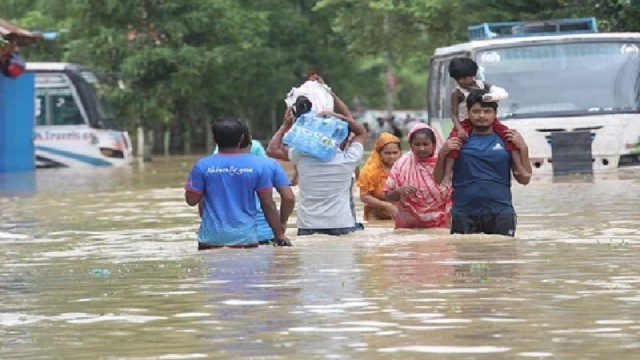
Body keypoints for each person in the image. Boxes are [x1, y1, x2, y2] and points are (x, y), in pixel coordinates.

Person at [267, 75, 366, 236]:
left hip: (308, 226)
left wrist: (286, 124)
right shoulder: (348, 160)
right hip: (342, 225)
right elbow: (359, 131)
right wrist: (336, 111)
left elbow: (272, 149)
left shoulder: (301, 156)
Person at [434, 90, 532, 236]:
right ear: (468, 112)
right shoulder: (457, 140)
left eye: (487, 111)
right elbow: (438, 179)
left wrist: (523, 147)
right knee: (466, 257)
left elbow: (525, 179)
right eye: (476, 111)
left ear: (495, 113)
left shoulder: (508, 139)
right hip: (464, 213)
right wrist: (442, 153)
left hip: (501, 213)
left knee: (502, 255)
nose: (481, 116)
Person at [185, 117, 291, 249]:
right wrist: (278, 234)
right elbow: (268, 204)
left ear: (214, 139)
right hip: (245, 239)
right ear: (242, 138)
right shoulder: (258, 166)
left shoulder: (202, 165)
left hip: (210, 240)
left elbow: (191, 200)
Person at [211, 135, 295, 245]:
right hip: (263, 233)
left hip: (225, 235)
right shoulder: (268, 165)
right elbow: (287, 198)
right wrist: (281, 226)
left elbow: (203, 202)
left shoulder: (210, 167)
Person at [384, 124, 452, 229]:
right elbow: (388, 196)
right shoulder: (401, 165)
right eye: (417, 144)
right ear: (410, 145)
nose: (421, 148)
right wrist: (398, 192)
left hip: (441, 222)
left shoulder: (446, 162)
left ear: (433, 144)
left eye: (426, 144)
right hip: (409, 224)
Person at [448, 57, 513, 158]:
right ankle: (448, 170)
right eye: (457, 79)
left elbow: (501, 93)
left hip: (488, 120)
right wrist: (460, 129)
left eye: (464, 78)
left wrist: (491, 97)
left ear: (473, 75)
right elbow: (454, 115)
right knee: (453, 143)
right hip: (466, 123)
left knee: (509, 136)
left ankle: (517, 163)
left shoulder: (483, 84)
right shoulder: (457, 93)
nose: (461, 81)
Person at [357, 132, 402, 221]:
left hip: (400, 213)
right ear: (379, 153)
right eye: (387, 153)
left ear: (400, 152)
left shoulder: (406, 169)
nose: (392, 156)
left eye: (395, 152)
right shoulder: (369, 171)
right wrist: (386, 205)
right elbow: (364, 197)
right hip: (375, 214)